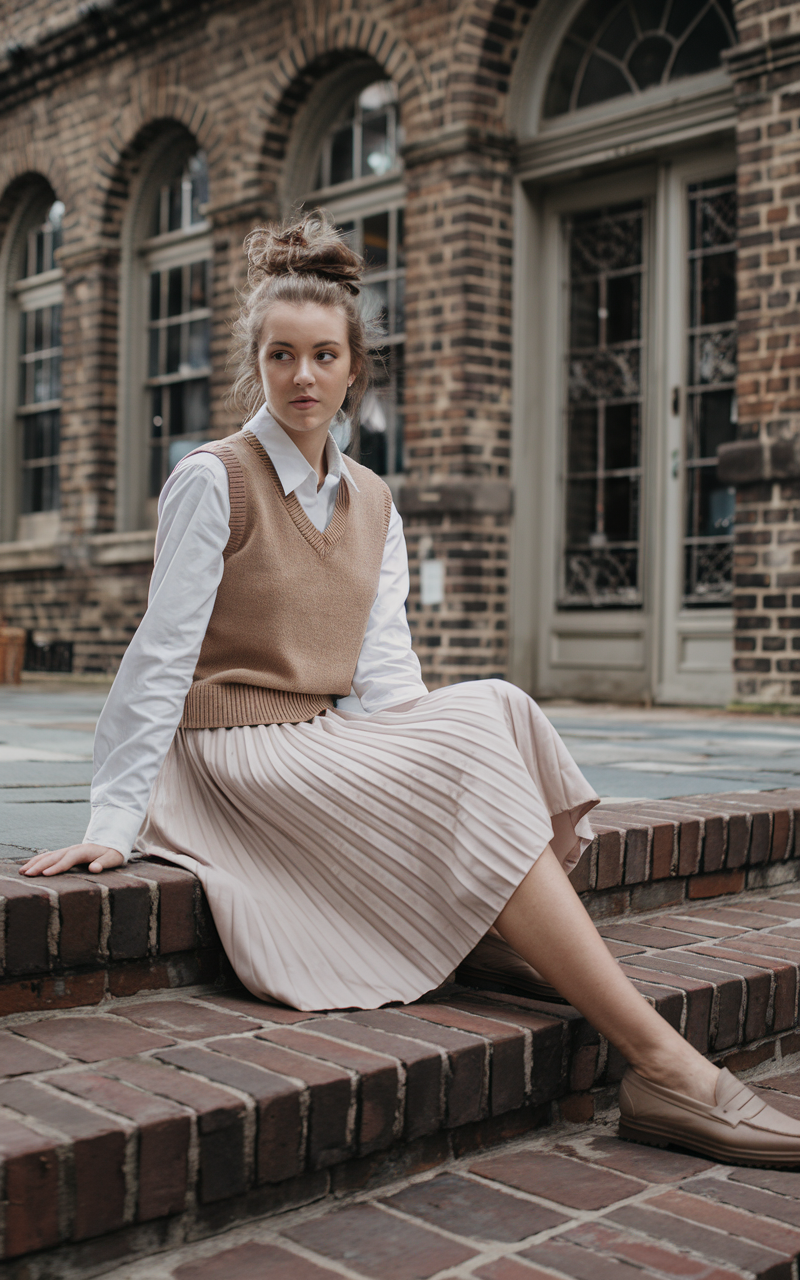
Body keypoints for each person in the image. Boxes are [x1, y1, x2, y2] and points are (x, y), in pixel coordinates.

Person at [20, 214, 800, 1167]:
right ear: (255, 365)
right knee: (471, 740)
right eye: (280, 356)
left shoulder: (374, 500)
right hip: (228, 760)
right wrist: (113, 817)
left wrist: (423, 759)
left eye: (322, 355)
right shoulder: (211, 480)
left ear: (354, 368)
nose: (302, 377)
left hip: (315, 738)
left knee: (496, 709)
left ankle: (476, 908)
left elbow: (388, 671)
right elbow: (157, 660)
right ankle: (667, 1070)